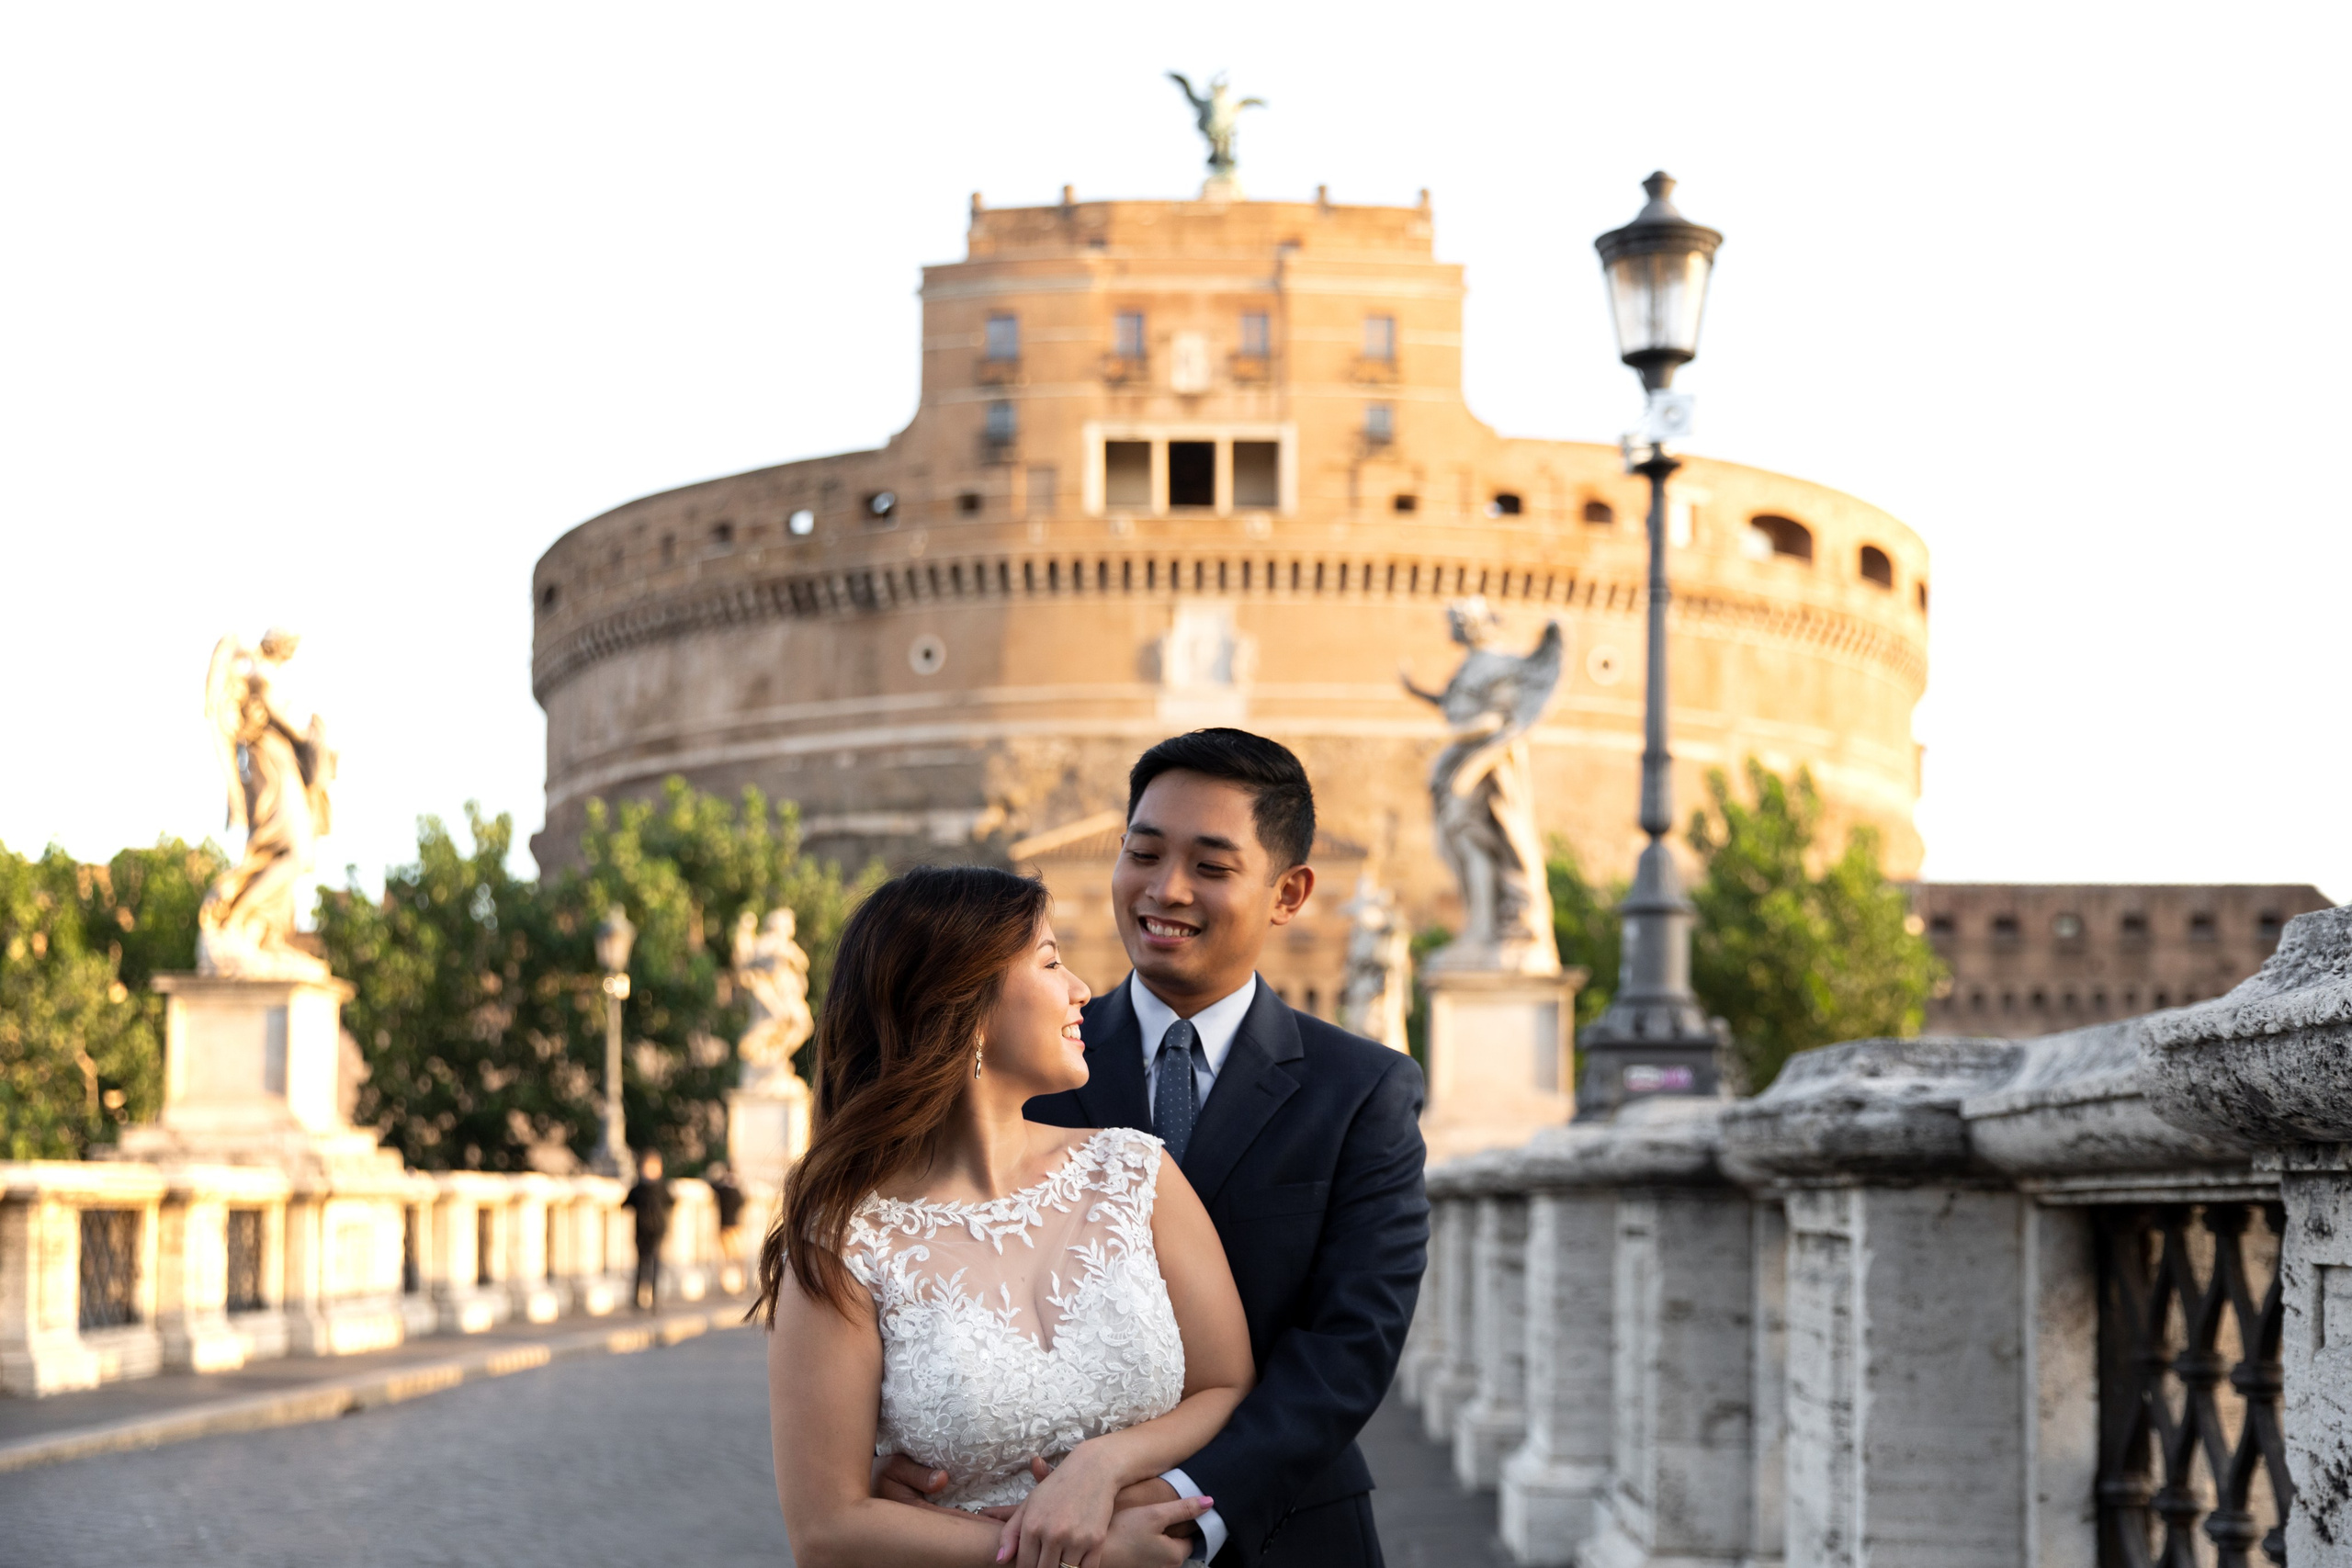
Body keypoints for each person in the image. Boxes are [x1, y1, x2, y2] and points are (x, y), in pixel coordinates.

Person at [877, 729, 1431, 1565]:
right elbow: (920, 1259)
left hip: (1285, 1531)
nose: (1165, 889)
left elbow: (1350, 1347)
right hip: (1029, 1539)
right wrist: (906, 1445)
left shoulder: (1361, 1090)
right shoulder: (1024, 1056)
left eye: (1211, 867)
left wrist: (1177, 1496)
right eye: (1142, 853)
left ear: (1290, 893)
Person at [757, 864, 1253, 1568]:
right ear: (967, 1005)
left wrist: (1100, 1467)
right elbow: (827, 1528)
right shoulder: (845, 1241)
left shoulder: (1135, 1171)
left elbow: (1225, 1383)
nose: (1083, 988)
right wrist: (1091, 1555)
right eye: (1051, 961)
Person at [622, 1152, 670, 1312]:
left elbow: (671, 1201)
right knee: (641, 1264)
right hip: (641, 1230)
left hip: (657, 1230)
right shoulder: (638, 1188)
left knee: (655, 1264)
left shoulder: (661, 1187)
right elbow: (627, 1203)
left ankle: (654, 1298)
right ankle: (637, 1298)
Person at [707, 1159, 748, 1294]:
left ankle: (725, 1283)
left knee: (725, 1257)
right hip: (735, 1227)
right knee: (738, 1257)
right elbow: (743, 1202)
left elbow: (712, 1185)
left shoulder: (722, 1189)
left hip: (724, 1226)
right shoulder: (736, 1191)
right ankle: (741, 1282)